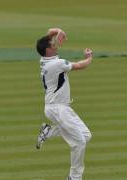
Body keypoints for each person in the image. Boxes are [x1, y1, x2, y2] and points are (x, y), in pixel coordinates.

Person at [35, 28, 93, 180]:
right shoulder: (57, 64)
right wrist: (89, 57)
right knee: (79, 142)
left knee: (86, 135)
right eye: (52, 43)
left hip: (61, 108)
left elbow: (49, 33)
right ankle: (74, 177)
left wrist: (57, 31)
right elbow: (80, 65)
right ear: (48, 49)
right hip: (57, 109)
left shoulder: (44, 59)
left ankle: (49, 131)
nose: (55, 44)